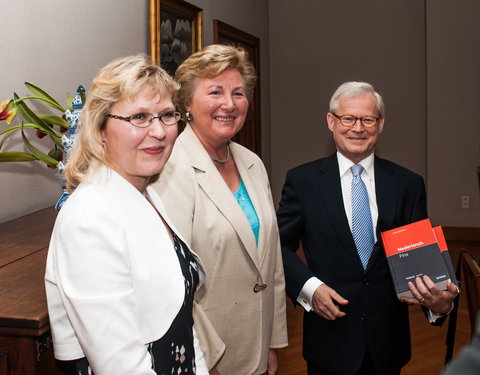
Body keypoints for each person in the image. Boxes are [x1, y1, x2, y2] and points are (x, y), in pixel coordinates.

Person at [276, 81, 459, 375]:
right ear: (331, 121)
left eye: (368, 119)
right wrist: (311, 289)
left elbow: (419, 258)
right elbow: (278, 246)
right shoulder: (303, 182)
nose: (357, 128)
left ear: (381, 124)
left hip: (387, 345)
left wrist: (439, 304)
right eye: (348, 118)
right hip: (329, 341)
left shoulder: (408, 184)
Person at [44, 54, 209, 375]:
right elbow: (119, 365)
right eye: (139, 117)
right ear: (100, 128)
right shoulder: (89, 217)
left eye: (167, 115)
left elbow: (183, 321)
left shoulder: (148, 196)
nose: (159, 131)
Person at [152, 44, 288, 375]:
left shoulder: (252, 163)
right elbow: (173, 282)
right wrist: (203, 357)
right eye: (215, 92)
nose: (229, 103)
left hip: (256, 344)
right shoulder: (168, 168)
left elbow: (271, 263)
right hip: (209, 354)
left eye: (238, 93)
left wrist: (272, 341)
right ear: (186, 102)